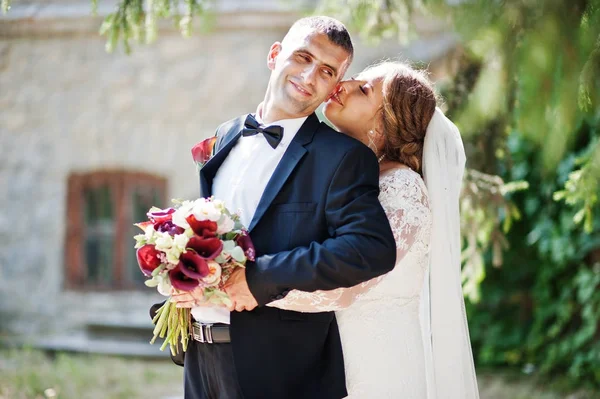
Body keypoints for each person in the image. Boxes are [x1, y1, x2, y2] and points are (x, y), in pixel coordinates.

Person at [170, 17, 397, 399]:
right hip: (199, 358)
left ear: (332, 88)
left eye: (326, 71)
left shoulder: (342, 158)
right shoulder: (224, 136)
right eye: (302, 57)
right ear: (275, 55)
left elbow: (370, 248)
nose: (309, 77)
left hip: (280, 370)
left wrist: (259, 278)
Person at [269, 61, 480, 398]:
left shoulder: (402, 190)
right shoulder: (347, 174)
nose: (345, 84)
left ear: (383, 126)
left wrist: (248, 288)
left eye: (364, 90)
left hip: (379, 371)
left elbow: (347, 284)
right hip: (325, 366)